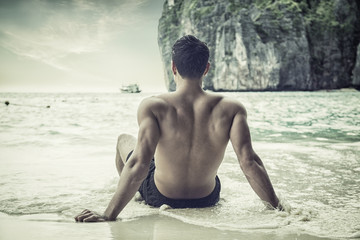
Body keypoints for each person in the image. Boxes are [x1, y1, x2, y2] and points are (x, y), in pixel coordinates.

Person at [75, 35, 282, 222]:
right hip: (207, 199)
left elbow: (139, 163)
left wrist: (108, 214)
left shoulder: (153, 106)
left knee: (123, 140)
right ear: (206, 68)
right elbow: (249, 163)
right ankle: (138, 190)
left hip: (160, 196)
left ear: (173, 67)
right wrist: (278, 208)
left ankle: (137, 193)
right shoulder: (232, 108)